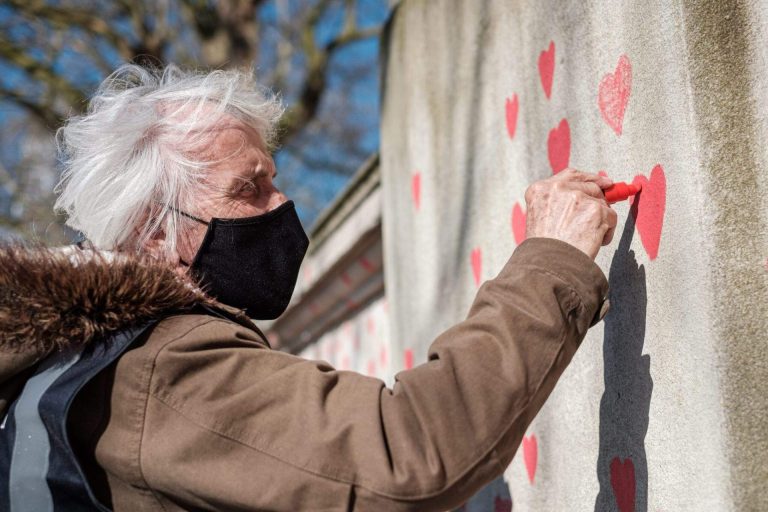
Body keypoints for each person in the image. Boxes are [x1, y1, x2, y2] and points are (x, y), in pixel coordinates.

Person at [0, 64, 617, 512]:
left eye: (275, 178)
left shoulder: (65, 366)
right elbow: (409, 458)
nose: (284, 203)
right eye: (249, 189)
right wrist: (551, 262)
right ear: (155, 232)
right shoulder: (157, 370)